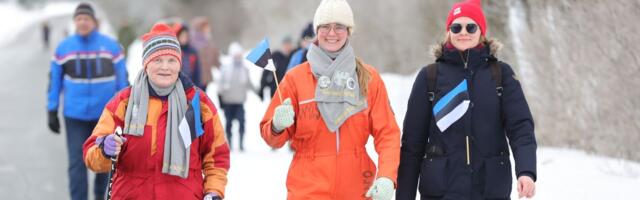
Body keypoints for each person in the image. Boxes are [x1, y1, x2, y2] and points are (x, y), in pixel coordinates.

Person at [396, 0, 537, 199]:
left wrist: (526, 171)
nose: (463, 32)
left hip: (491, 190)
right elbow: (412, 145)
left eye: (471, 26)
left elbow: (521, 128)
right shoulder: (429, 77)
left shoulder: (501, 75)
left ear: (481, 31)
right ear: (448, 32)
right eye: (456, 27)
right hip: (441, 192)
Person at [259, 0, 400, 199]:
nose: (331, 33)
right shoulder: (295, 79)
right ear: (317, 30)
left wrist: (387, 176)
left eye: (339, 26)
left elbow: (388, 134)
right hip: (307, 189)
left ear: (349, 31)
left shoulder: (368, 78)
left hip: (358, 188)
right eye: (325, 26)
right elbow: (272, 139)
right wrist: (276, 126)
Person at [82, 23, 229, 200]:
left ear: (179, 64)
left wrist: (214, 191)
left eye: (171, 60)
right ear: (146, 64)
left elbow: (217, 156)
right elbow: (91, 155)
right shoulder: (124, 102)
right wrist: (104, 149)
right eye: (157, 60)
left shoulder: (199, 104)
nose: (165, 67)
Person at [47, 3, 128, 200]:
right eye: (79, 19)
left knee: (105, 158)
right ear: (75, 22)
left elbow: (123, 81)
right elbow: (54, 81)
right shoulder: (63, 48)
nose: (83, 22)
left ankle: (101, 197)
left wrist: (126, 109)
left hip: (105, 116)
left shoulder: (111, 46)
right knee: (77, 163)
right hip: (74, 116)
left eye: (86, 19)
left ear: (94, 22)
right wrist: (52, 109)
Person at [219, 42, 254, 151]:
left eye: (239, 55)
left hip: (239, 102)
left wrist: (258, 92)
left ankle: (241, 144)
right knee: (228, 123)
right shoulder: (225, 69)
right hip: (228, 102)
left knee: (242, 122)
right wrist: (221, 99)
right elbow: (220, 85)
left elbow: (249, 84)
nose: (237, 57)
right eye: (235, 55)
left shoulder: (245, 69)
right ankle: (229, 142)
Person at [190, 16, 220, 92]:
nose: (208, 28)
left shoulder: (208, 39)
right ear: (200, 28)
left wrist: (221, 66)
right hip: (195, 77)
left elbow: (214, 57)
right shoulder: (192, 41)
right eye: (206, 26)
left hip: (205, 77)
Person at [259, 36, 293, 101]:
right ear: (282, 45)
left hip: (290, 91)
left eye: (288, 44)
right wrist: (262, 87)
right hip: (276, 91)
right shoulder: (275, 56)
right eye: (285, 44)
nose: (287, 46)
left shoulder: (294, 56)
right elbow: (266, 73)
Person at [174, 23, 204, 89]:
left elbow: (197, 71)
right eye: (182, 36)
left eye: (185, 36)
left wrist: (197, 87)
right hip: (176, 85)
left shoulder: (192, 51)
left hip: (190, 85)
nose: (184, 38)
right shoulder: (175, 50)